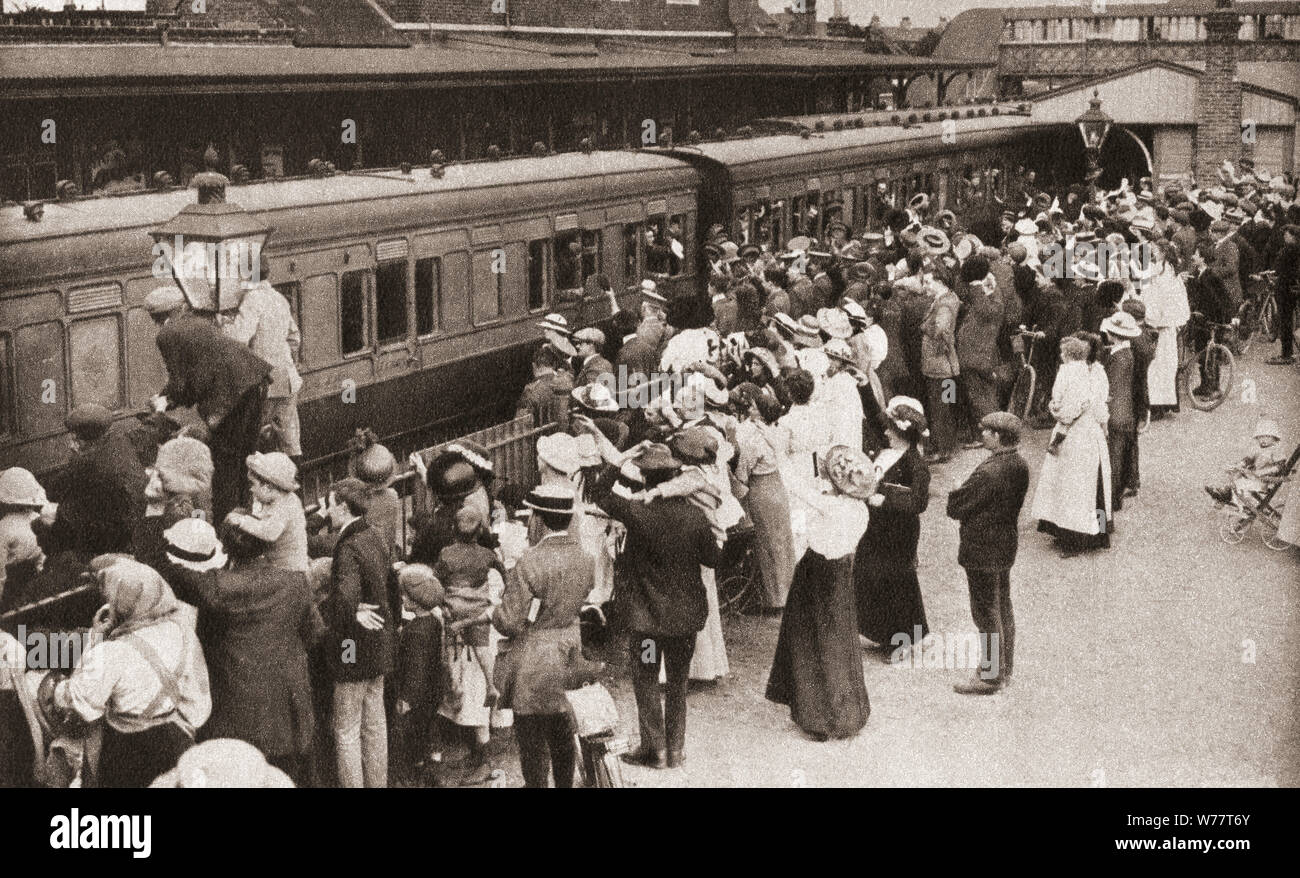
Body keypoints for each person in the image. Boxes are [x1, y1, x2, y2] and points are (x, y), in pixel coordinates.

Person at [162, 517, 319, 787]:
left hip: (240, 705)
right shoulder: (296, 582)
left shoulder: (218, 587)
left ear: (226, 548)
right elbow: (315, 634)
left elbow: (179, 575)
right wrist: (345, 653)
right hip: (289, 702)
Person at [590, 443, 717, 769]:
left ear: (645, 478)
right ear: (675, 477)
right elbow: (713, 559)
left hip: (647, 626)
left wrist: (623, 458)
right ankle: (675, 749)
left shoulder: (637, 513)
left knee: (646, 676)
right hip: (684, 624)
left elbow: (599, 492)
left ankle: (654, 748)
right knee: (678, 683)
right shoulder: (696, 516)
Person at [51, 558, 212, 787]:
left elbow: (79, 703)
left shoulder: (111, 653)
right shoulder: (182, 631)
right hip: (175, 739)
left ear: (119, 605)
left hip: (127, 748)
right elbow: (198, 705)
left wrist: (94, 639)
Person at [766, 445, 873, 740]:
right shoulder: (859, 509)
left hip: (816, 572)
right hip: (840, 574)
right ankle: (848, 711)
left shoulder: (831, 506)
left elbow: (795, 486)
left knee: (809, 639)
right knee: (839, 637)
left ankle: (818, 716)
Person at [492, 485, 596, 788]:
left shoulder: (530, 561)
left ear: (538, 518)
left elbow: (511, 621)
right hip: (571, 649)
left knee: (532, 735)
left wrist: (495, 611)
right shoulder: (585, 558)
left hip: (535, 656)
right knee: (563, 727)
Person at [152, 312, 273, 521]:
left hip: (231, 397)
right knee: (246, 456)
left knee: (225, 461)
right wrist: (169, 397)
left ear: (155, 317)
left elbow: (180, 380)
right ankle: (245, 518)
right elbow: (196, 373)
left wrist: (164, 401)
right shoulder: (193, 321)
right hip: (254, 382)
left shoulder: (166, 334)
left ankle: (224, 525)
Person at [945, 412, 1030, 695]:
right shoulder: (1019, 464)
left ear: (998, 436)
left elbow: (956, 508)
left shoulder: (988, 472)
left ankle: (990, 676)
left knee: (985, 612)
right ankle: (1005, 669)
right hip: (1004, 546)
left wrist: (956, 490)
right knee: (1003, 607)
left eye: (985, 431)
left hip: (981, 550)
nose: (981, 435)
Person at [320, 478, 394, 788]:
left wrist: (347, 611)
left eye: (329, 504)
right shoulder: (374, 535)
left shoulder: (347, 546)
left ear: (341, 506)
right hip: (379, 642)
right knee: (375, 723)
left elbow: (346, 597)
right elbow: (392, 582)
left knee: (347, 727)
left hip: (351, 643)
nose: (327, 511)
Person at [854, 398, 931, 652]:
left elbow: (918, 502)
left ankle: (900, 641)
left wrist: (885, 500)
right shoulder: (887, 450)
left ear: (900, 432)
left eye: (890, 428)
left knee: (896, 581)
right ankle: (883, 633)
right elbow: (876, 417)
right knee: (871, 576)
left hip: (899, 531)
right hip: (877, 527)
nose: (885, 431)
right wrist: (864, 385)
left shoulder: (915, 464)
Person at [1030, 336, 1113, 557]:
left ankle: (1072, 538)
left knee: (1070, 486)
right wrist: (1104, 427)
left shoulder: (1067, 372)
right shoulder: (1095, 373)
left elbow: (1063, 405)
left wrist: (1055, 410)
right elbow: (1099, 405)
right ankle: (1098, 532)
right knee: (1091, 484)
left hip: (1073, 435)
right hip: (1090, 432)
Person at [221, 257, 304, 460]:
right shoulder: (279, 298)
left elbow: (240, 337)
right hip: (286, 378)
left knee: (251, 439)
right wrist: (279, 357)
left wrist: (223, 325)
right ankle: (293, 486)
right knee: (291, 442)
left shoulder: (252, 300)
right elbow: (294, 337)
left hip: (262, 382)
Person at [40, 404, 147, 560]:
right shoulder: (119, 440)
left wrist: (76, 458)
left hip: (116, 536)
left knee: (47, 518)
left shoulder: (88, 463)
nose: (71, 444)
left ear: (84, 439)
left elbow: (55, 490)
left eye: (75, 438)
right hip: (137, 520)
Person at [729, 384, 796, 610]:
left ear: (762, 412)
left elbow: (743, 472)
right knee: (782, 540)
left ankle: (773, 597)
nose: (750, 409)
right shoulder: (777, 432)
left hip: (761, 490)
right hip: (777, 486)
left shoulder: (754, 439)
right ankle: (787, 592)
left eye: (755, 408)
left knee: (766, 542)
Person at [434, 507, 506, 709]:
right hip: (477, 610)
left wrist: (442, 604)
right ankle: (492, 686)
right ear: (480, 531)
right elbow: (503, 573)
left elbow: (436, 581)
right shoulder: (487, 555)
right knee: (483, 650)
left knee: (449, 649)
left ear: (453, 529)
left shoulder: (446, 553)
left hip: (454, 608)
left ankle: (455, 685)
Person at [393, 563, 446, 785]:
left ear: (415, 599)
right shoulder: (432, 622)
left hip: (417, 697)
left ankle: (418, 774)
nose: (402, 598)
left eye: (405, 595)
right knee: (426, 732)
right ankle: (428, 768)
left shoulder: (415, 632)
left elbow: (416, 669)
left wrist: (407, 699)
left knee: (414, 737)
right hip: (432, 691)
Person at [223, 451, 308, 574]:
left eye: (253, 484)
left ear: (267, 487)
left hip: (291, 571)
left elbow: (270, 532)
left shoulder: (287, 504)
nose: (251, 489)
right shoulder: (271, 500)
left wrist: (242, 520)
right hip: (275, 566)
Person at [1099, 310, 1147, 509]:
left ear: (1112, 334)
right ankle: (1115, 497)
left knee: (1112, 460)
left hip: (1115, 414)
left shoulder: (1118, 358)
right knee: (1117, 458)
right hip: (1126, 412)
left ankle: (1111, 500)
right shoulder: (1127, 353)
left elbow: (1112, 388)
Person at [1137, 240, 1190, 417]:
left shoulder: (1158, 273)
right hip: (1168, 326)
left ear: (1162, 253)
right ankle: (1166, 404)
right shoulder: (1171, 272)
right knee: (1167, 366)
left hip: (1159, 326)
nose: (1153, 253)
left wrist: (1147, 317)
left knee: (1157, 367)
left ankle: (1157, 407)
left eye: (1155, 251)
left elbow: (1154, 300)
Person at [920, 274, 960, 464]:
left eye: (929, 282)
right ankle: (949, 445)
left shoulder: (943, 305)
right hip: (947, 368)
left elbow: (940, 330)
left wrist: (924, 326)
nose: (926, 286)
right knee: (947, 406)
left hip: (938, 367)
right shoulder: (950, 298)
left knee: (938, 409)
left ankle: (941, 449)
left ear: (940, 282)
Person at [1205, 418, 1288, 506]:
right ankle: (1222, 493)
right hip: (1253, 477)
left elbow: (1279, 466)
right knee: (1233, 472)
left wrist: (1261, 473)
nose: (1263, 440)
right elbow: (1248, 459)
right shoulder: (1258, 449)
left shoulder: (1276, 450)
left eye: (1267, 437)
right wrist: (1239, 464)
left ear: (1274, 438)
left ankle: (1225, 495)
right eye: (1260, 437)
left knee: (1237, 483)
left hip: (1263, 482)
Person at [0, 468, 49, 611]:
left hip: (11, 596)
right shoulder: (39, 520)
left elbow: (0, 576)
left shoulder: (3, 528)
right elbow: (43, 562)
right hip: (38, 588)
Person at [516, 343, 574, 430]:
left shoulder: (531, 391)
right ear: (553, 365)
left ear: (534, 366)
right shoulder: (566, 382)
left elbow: (520, 426)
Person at [1267, 224, 1299, 365]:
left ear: (1293, 236)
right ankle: (1287, 352)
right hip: (1288, 288)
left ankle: (1286, 354)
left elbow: (1289, 270)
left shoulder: (1292, 250)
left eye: (1287, 234)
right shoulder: (1292, 249)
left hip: (1287, 290)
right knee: (1286, 321)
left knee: (1285, 321)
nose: (1285, 237)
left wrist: (1279, 277)